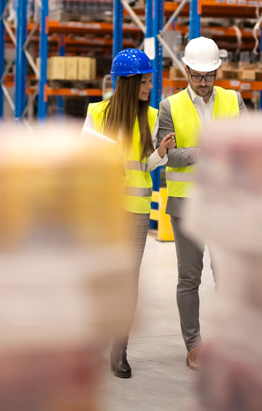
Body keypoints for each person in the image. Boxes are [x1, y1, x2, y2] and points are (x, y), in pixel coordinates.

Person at [82, 48, 176, 379]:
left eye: (151, 80)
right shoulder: (96, 113)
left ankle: (119, 349)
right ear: (128, 82)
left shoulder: (150, 117)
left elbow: (146, 165)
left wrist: (161, 153)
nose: (151, 86)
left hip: (136, 208)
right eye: (146, 81)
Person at [157, 36, 246, 371]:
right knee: (189, 278)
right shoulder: (170, 106)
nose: (205, 82)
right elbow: (169, 156)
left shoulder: (233, 100)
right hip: (186, 205)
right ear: (187, 71)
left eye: (210, 75)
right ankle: (194, 345)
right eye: (198, 76)